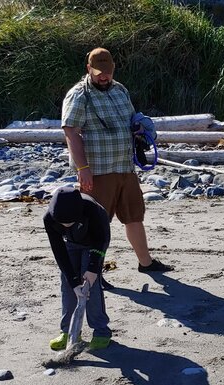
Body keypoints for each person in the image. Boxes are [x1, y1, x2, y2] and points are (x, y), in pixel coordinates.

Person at [61, 47, 173, 275]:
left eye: (108, 71)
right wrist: (83, 169)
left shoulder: (120, 90)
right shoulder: (79, 95)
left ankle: (146, 263)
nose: (104, 76)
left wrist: (141, 128)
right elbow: (71, 133)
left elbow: (131, 120)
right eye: (99, 71)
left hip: (125, 168)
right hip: (98, 172)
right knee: (96, 225)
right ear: (89, 69)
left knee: (134, 217)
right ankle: (92, 272)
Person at [44, 186, 113, 350]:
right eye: (63, 223)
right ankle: (68, 331)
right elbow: (59, 252)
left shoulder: (92, 210)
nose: (66, 225)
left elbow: (100, 240)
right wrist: (73, 281)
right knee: (67, 284)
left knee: (91, 285)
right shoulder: (49, 218)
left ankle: (101, 331)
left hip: (95, 242)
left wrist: (92, 268)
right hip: (72, 244)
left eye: (71, 222)